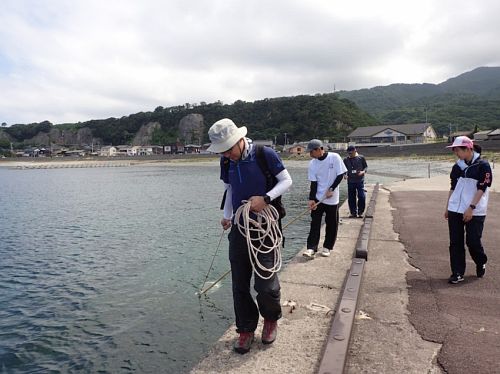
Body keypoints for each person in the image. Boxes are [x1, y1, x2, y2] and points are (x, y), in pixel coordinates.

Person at [207, 118, 292, 354]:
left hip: (265, 227)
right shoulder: (226, 161)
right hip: (239, 228)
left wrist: (265, 199)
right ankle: (245, 329)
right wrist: (228, 216)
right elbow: (230, 189)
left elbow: (287, 181)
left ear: (240, 141)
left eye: (228, 150)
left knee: (265, 283)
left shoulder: (265, 154)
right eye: (222, 152)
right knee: (239, 284)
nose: (226, 155)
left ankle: (271, 320)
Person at [444, 136, 492, 284]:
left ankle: (480, 261)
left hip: (475, 210)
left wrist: (471, 208)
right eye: (455, 150)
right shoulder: (457, 167)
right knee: (455, 242)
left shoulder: (483, 166)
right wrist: (447, 207)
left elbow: (482, 188)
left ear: (468, 149)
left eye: (458, 150)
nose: (456, 153)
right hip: (455, 209)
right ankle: (457, 272)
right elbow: (453, 187)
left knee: (472, 241)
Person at [303, 139, 347, 259]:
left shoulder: (335, 157)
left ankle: (327, 247)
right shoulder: (312, 163)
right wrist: (312, 199)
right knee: (315, 223)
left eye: (311, 152)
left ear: (319, 149)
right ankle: (311, 248)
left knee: (331, 223)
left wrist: (331, 189)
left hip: (331, 198)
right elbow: (313, 183)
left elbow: (340, 175)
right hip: (318, 198)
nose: (310, 155)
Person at [343, 145, 368, 218]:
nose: (350, 154)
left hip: (360, 180)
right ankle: (353, 212)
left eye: (351, 153)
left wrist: (363, 172)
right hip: (350, 181)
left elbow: (366, 167)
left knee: (361, 196)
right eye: (349, 153)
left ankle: (360, 212)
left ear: (355, 151)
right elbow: (344, 170)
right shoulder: (345, 160)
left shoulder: (361, 158)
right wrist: (344, 175)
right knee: (351, 197)